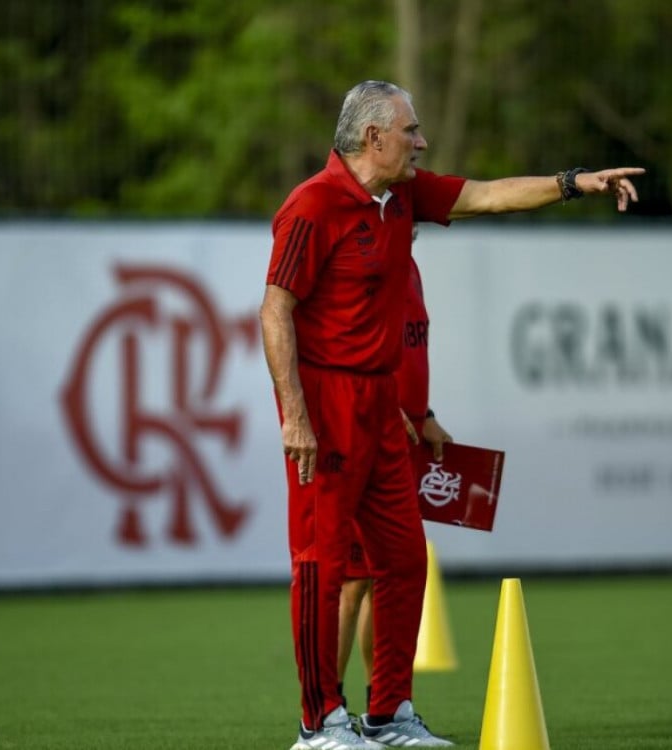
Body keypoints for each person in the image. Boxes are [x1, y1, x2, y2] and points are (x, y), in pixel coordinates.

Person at [260, 79, 643, 750]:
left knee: (405, 561)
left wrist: (575, 182)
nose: (422, 141)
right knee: (321, 565)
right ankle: (317, 724)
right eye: (411, 130)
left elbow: (490, 195)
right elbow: (275, 310)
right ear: (372, 137)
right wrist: (294, 413)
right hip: (326, 405)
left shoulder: (403, 194)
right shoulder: (311, 206)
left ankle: (387, 715)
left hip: (382, 406)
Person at [337, 227, 451, 723]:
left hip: (400, 438)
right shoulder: (365, 272)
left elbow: (408, 352)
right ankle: (326, 712)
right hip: (365, 437)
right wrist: (385, 408)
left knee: (381, 576)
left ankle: (379, 707)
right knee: (351, 580)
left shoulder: (408, 269)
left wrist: (424, 414)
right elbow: (348, 351)